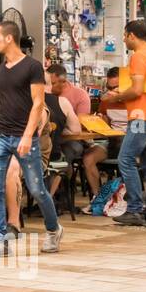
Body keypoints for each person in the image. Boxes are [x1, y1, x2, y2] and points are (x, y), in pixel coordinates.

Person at [0, 21, 64, 254]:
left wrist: (27, 136)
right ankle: (0, 241)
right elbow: (1, 103)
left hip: (24, 138)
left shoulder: (32, 66)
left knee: (37, 189)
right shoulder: (0, 69)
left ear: (9, 38)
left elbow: (38, 103)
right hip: (0, 137)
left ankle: (53, 228)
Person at [102, 20, 146, 226]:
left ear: (131, 35)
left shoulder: (138, 56)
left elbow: (137, 90)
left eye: (124, 35)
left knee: (126, 160)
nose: (123, 39)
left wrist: (114, 98)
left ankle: (135, 209)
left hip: (141, 117)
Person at [47, 63, 107, 197]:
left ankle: (61, 194)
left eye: (52, 83)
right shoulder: (46, 93)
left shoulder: (79, 95)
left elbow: (81, 125)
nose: (49, 86)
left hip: (75, 141)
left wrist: (59, 128)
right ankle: (48, 195)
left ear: (63, 81)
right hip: (51, 139)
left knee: (66, 152)